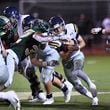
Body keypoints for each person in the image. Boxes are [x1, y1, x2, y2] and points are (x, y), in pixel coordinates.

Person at [48, 16, 98, 105]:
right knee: (77, 86)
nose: (56, 31)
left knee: (77, 71)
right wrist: (70, 50)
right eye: (54, 29)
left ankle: (90, 84)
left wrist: (76, 47)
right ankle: (93, 98)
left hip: (77, 55)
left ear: (62, 25)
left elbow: (82, 42)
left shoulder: (71, 28)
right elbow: (64, 57)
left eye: (58, 28)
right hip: (67, 62)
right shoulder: (53, 39)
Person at [3, 6, 45, 101]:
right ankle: (38, 92)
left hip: (30, 47)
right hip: (19, 51)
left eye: (9, 18)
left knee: (29, 71)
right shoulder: (9, 26)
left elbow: (35, 34)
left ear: (14, 17)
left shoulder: (25, 20)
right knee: (26, 72)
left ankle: (40, 92)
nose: (8, 21)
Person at [0, 17, 21, 109]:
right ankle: (7, 96)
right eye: (6, 25)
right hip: (3, 70)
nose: (8, 26)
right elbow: (4, 53)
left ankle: (8, 96)